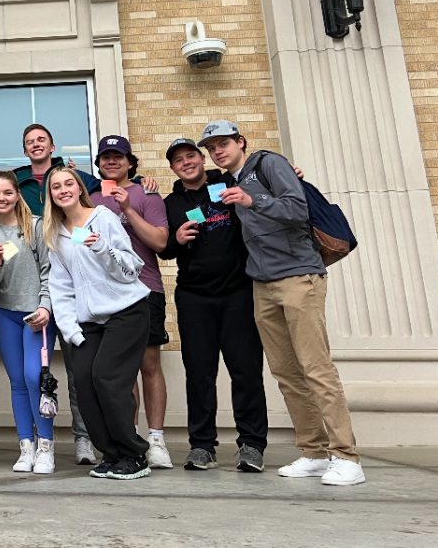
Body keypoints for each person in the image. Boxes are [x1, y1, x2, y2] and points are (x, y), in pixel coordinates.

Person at [199, 120, 364, 486]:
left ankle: (346, 456)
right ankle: (314, 451)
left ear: (241, 142)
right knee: (287, 372)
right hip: (263, 284)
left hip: (299, 277)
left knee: (316, 368)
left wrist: (252, 199)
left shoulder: (268, 164)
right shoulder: (229, 182)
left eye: (223, 143)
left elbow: (296, 209)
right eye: (212, 148)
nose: (218, 151)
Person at [160, 137, 267, 473]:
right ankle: (202, 446)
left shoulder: (228, 183)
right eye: (178, 160)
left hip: (238, 293)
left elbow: (264, 192)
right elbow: (164, 249)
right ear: (173, 168)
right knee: (199, 374)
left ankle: (251, 444)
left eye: (191, 155)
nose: (186, 162)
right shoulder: (170, 203)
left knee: (245, 370)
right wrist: (176, 240)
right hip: (194, 297)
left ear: (201, 158)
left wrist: (291, 174)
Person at [45, 166, 152, 481]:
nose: (63, 190)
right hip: (89, 321)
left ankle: (134, 454)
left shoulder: (102, 217)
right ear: (50, 195)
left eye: (68, 184)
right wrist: (71, 330)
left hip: (127, 310)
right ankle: (112, 453)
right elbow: (61, 287)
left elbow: (132, 267)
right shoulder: (56, 233)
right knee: (85, 382)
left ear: (79, 188)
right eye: (55, 187)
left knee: (107, 377)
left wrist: (103, 249)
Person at [91, 134, 172, 469]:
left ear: (130, 162)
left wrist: (127, 208)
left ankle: (156, 439)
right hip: (108, 296)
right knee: (120, 373)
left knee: (149, 366)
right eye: (106, 157)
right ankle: (131, 437)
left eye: (118, 157)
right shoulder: (92, 198)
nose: (112, 162)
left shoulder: (145, 194)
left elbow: (160, 242)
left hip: (145, 289)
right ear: (98, 164)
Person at [0, 171, 55, 474]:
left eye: (7, 193)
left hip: (36, 315)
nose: (1, 199)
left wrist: (45, 307)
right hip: (4, 312)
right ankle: (26, 446)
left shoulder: (35, 226)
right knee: (16, 381)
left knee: (33, 378)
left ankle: (46, 448)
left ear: (17, 194)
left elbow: (50, 270)